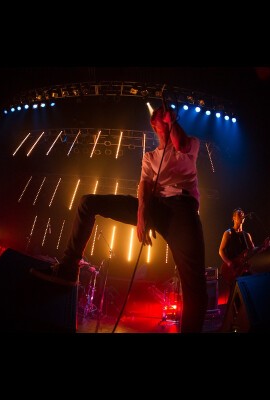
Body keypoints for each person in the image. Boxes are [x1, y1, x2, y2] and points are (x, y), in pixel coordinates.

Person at [45, 105, 208, 333]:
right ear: (154, 125)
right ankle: (68, 267)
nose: (164, 123)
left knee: (195, 286)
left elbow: (180, 143)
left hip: (182, 209)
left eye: (168, 119)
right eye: (160, 120)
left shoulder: (191, 144)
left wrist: (171, 121)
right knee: (87, 202)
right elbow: (144, 187)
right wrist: (141, 216)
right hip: (154, 207)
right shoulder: (150, 157)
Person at [218, 208, 270, 299]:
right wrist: (228, 262)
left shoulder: (247, 235)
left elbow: (253, 250)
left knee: (253, 290)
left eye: (243, 214)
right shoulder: (228, 233)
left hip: (244, 268)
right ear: (233, 218)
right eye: (239, 214)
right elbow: (221, 250)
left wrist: (263, 246)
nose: (242, 216)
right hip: (233, 269)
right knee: (234, 295)